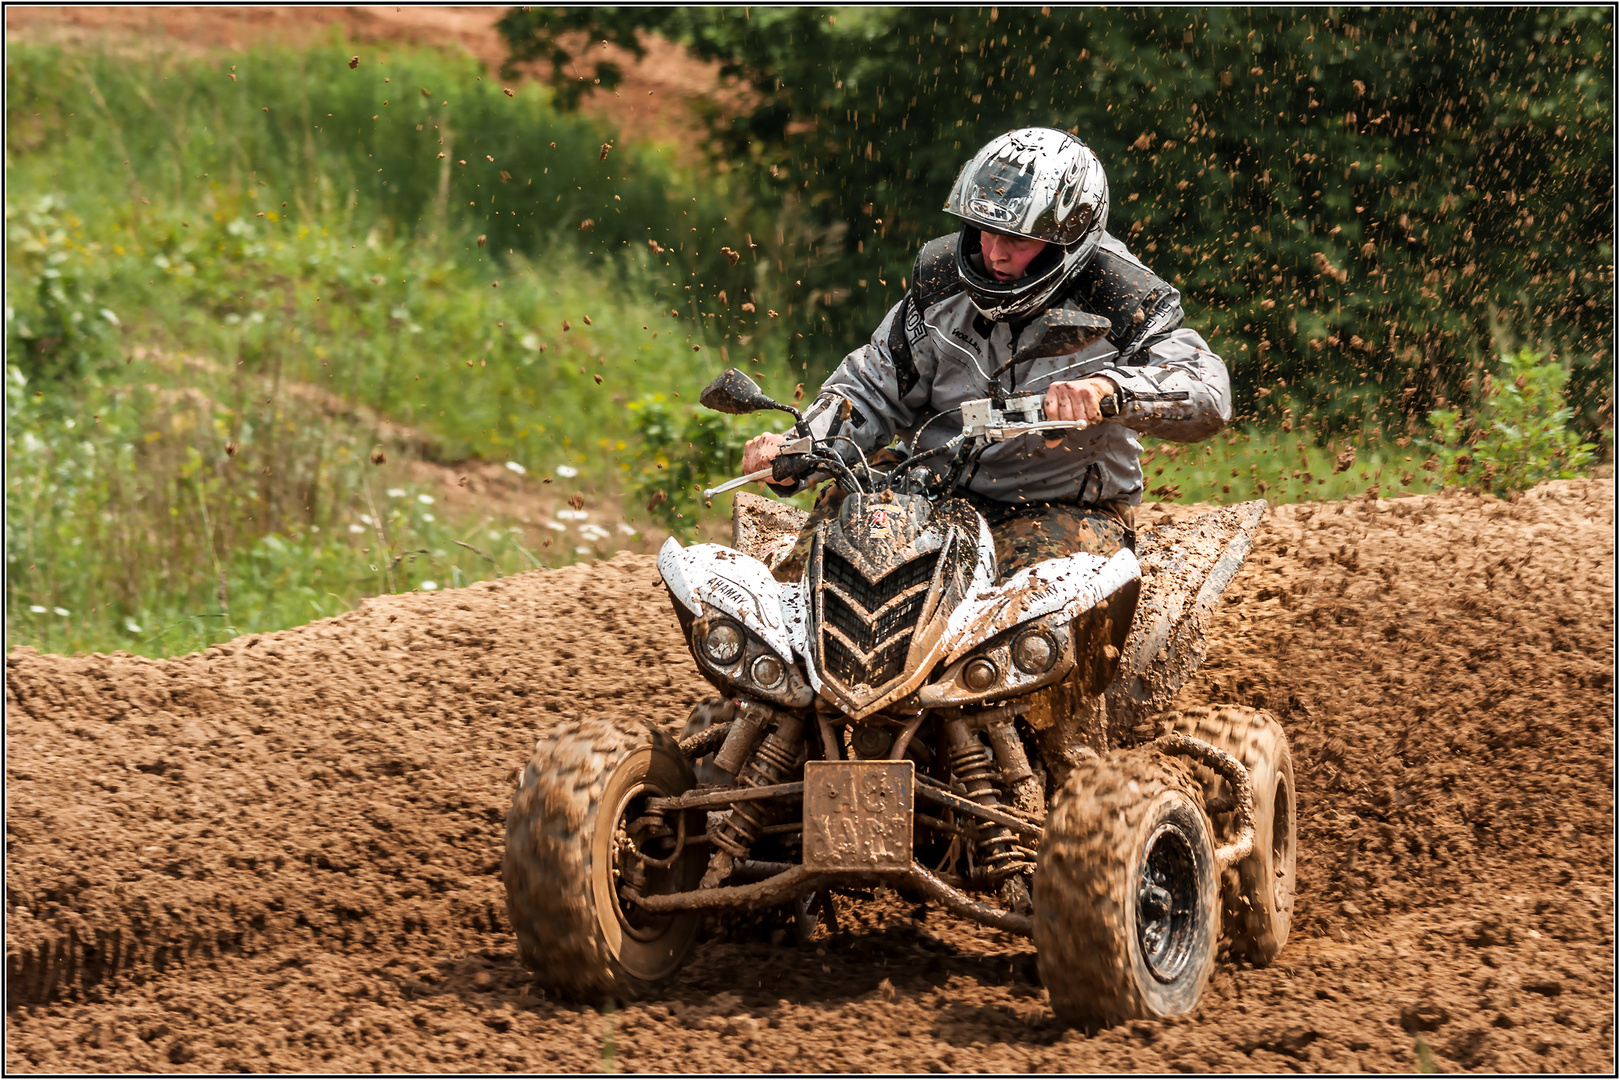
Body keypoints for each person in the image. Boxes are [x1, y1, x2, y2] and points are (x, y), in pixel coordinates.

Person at [741, 126, 1232, 583]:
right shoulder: (939, 281)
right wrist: (799, 448)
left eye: (1016, 239)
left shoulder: (1123, 297)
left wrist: (1111, 390)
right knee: (828, 549)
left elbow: (1208, 392)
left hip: (1061, 506)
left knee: (1047, 598)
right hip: (928, 483)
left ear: (1069, 237)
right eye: (983, 230)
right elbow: (872, 387)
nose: (994, 253)